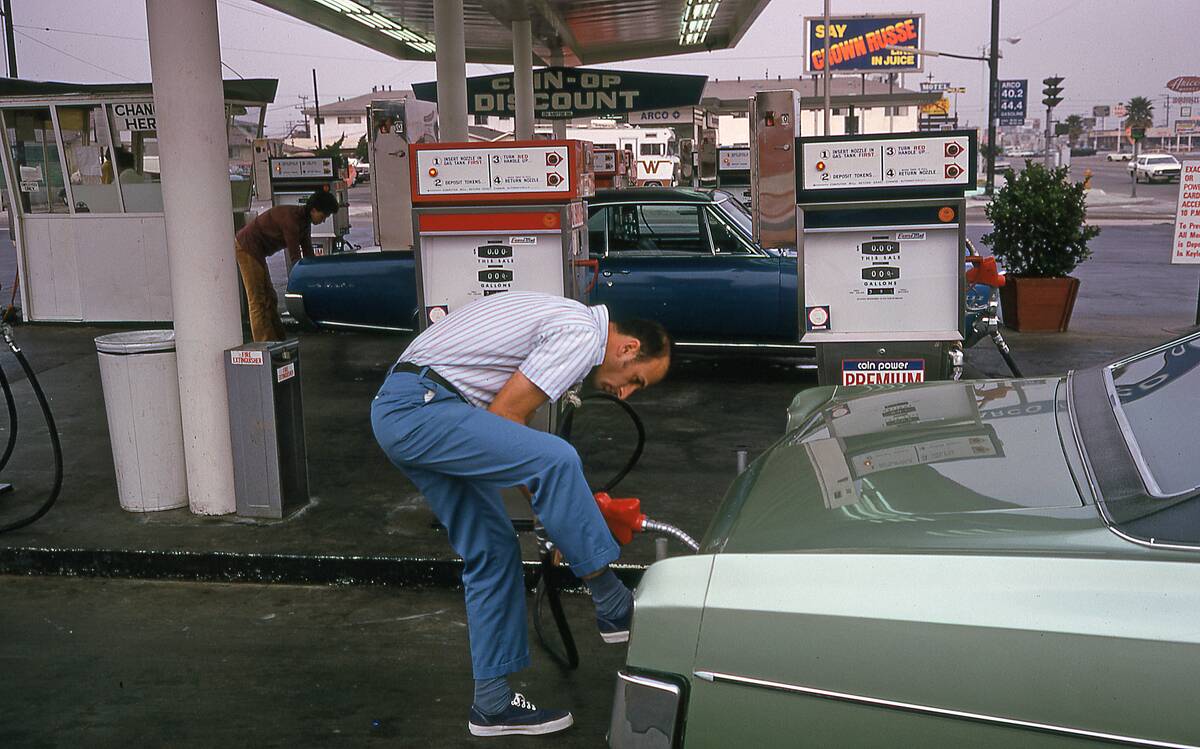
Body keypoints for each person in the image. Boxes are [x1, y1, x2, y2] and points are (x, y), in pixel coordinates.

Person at [370, 291, 671, 737]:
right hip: (424, 408)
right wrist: (568, 513)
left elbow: (510, 438)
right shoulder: (583, 334)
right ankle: (611, 602)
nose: (625, 393)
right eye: (636, 381)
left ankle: (491, 704)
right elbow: (508, 417)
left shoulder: (567, 319)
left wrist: (567, 515)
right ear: (627, 348)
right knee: (559, 459)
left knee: (493, 551)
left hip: (410, 411)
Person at [234, 189, 339, 342]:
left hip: (258, 250)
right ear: (314, 210)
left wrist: (317, 275)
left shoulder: (304, 222)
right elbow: (295, 258)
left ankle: (277, 340)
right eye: (324, 216)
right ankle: (264, 344)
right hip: (246, 247)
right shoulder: (291, 221)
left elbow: (308, 253)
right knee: (258, 300)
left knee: (271, 297)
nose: (323, 220)